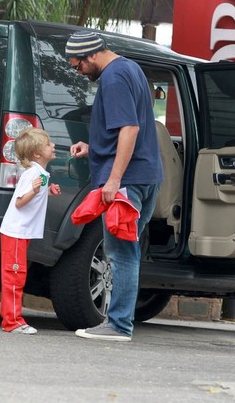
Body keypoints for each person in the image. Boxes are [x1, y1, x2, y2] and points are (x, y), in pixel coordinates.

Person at [66, 30, 163, 341]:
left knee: (120, 252)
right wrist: (93, 148)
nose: (76, 70)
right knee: (127, 251)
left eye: (77, 64)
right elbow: (130, 127)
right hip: (146, 176)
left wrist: (115, 178)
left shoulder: (113, 78)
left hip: (128, 181)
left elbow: (130, 129)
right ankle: (120, 322)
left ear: (93, 55)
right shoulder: (131, 68)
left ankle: (119, 325)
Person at [0, 128, 60, 334]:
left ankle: (13, 319)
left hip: (21, 233)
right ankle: (12, 321)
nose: (53, 146)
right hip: (16, 232)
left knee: (17, 275)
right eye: (48, 144)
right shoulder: (32, 174)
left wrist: (47, 192)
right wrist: (34, 190)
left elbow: (37, 196)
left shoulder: (40, 174)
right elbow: (19, 202)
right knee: (14, 276)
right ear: (36, 154)